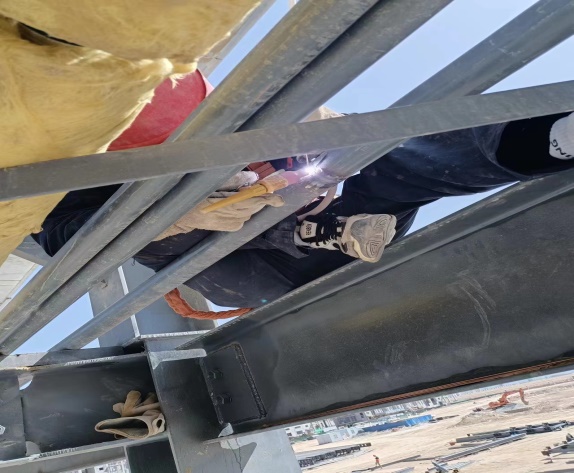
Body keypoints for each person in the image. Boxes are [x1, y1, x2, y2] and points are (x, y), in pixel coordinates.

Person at [33, 111, 574, 309]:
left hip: (343, 235)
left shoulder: (206, 110)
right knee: (165, 229)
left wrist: (319, 165)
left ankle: (552, 139)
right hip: (244, 269)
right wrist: (175, 217)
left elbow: (318, 138)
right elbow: (61, 238)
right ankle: (304, 229)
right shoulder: (62, 168)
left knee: (397, 160)